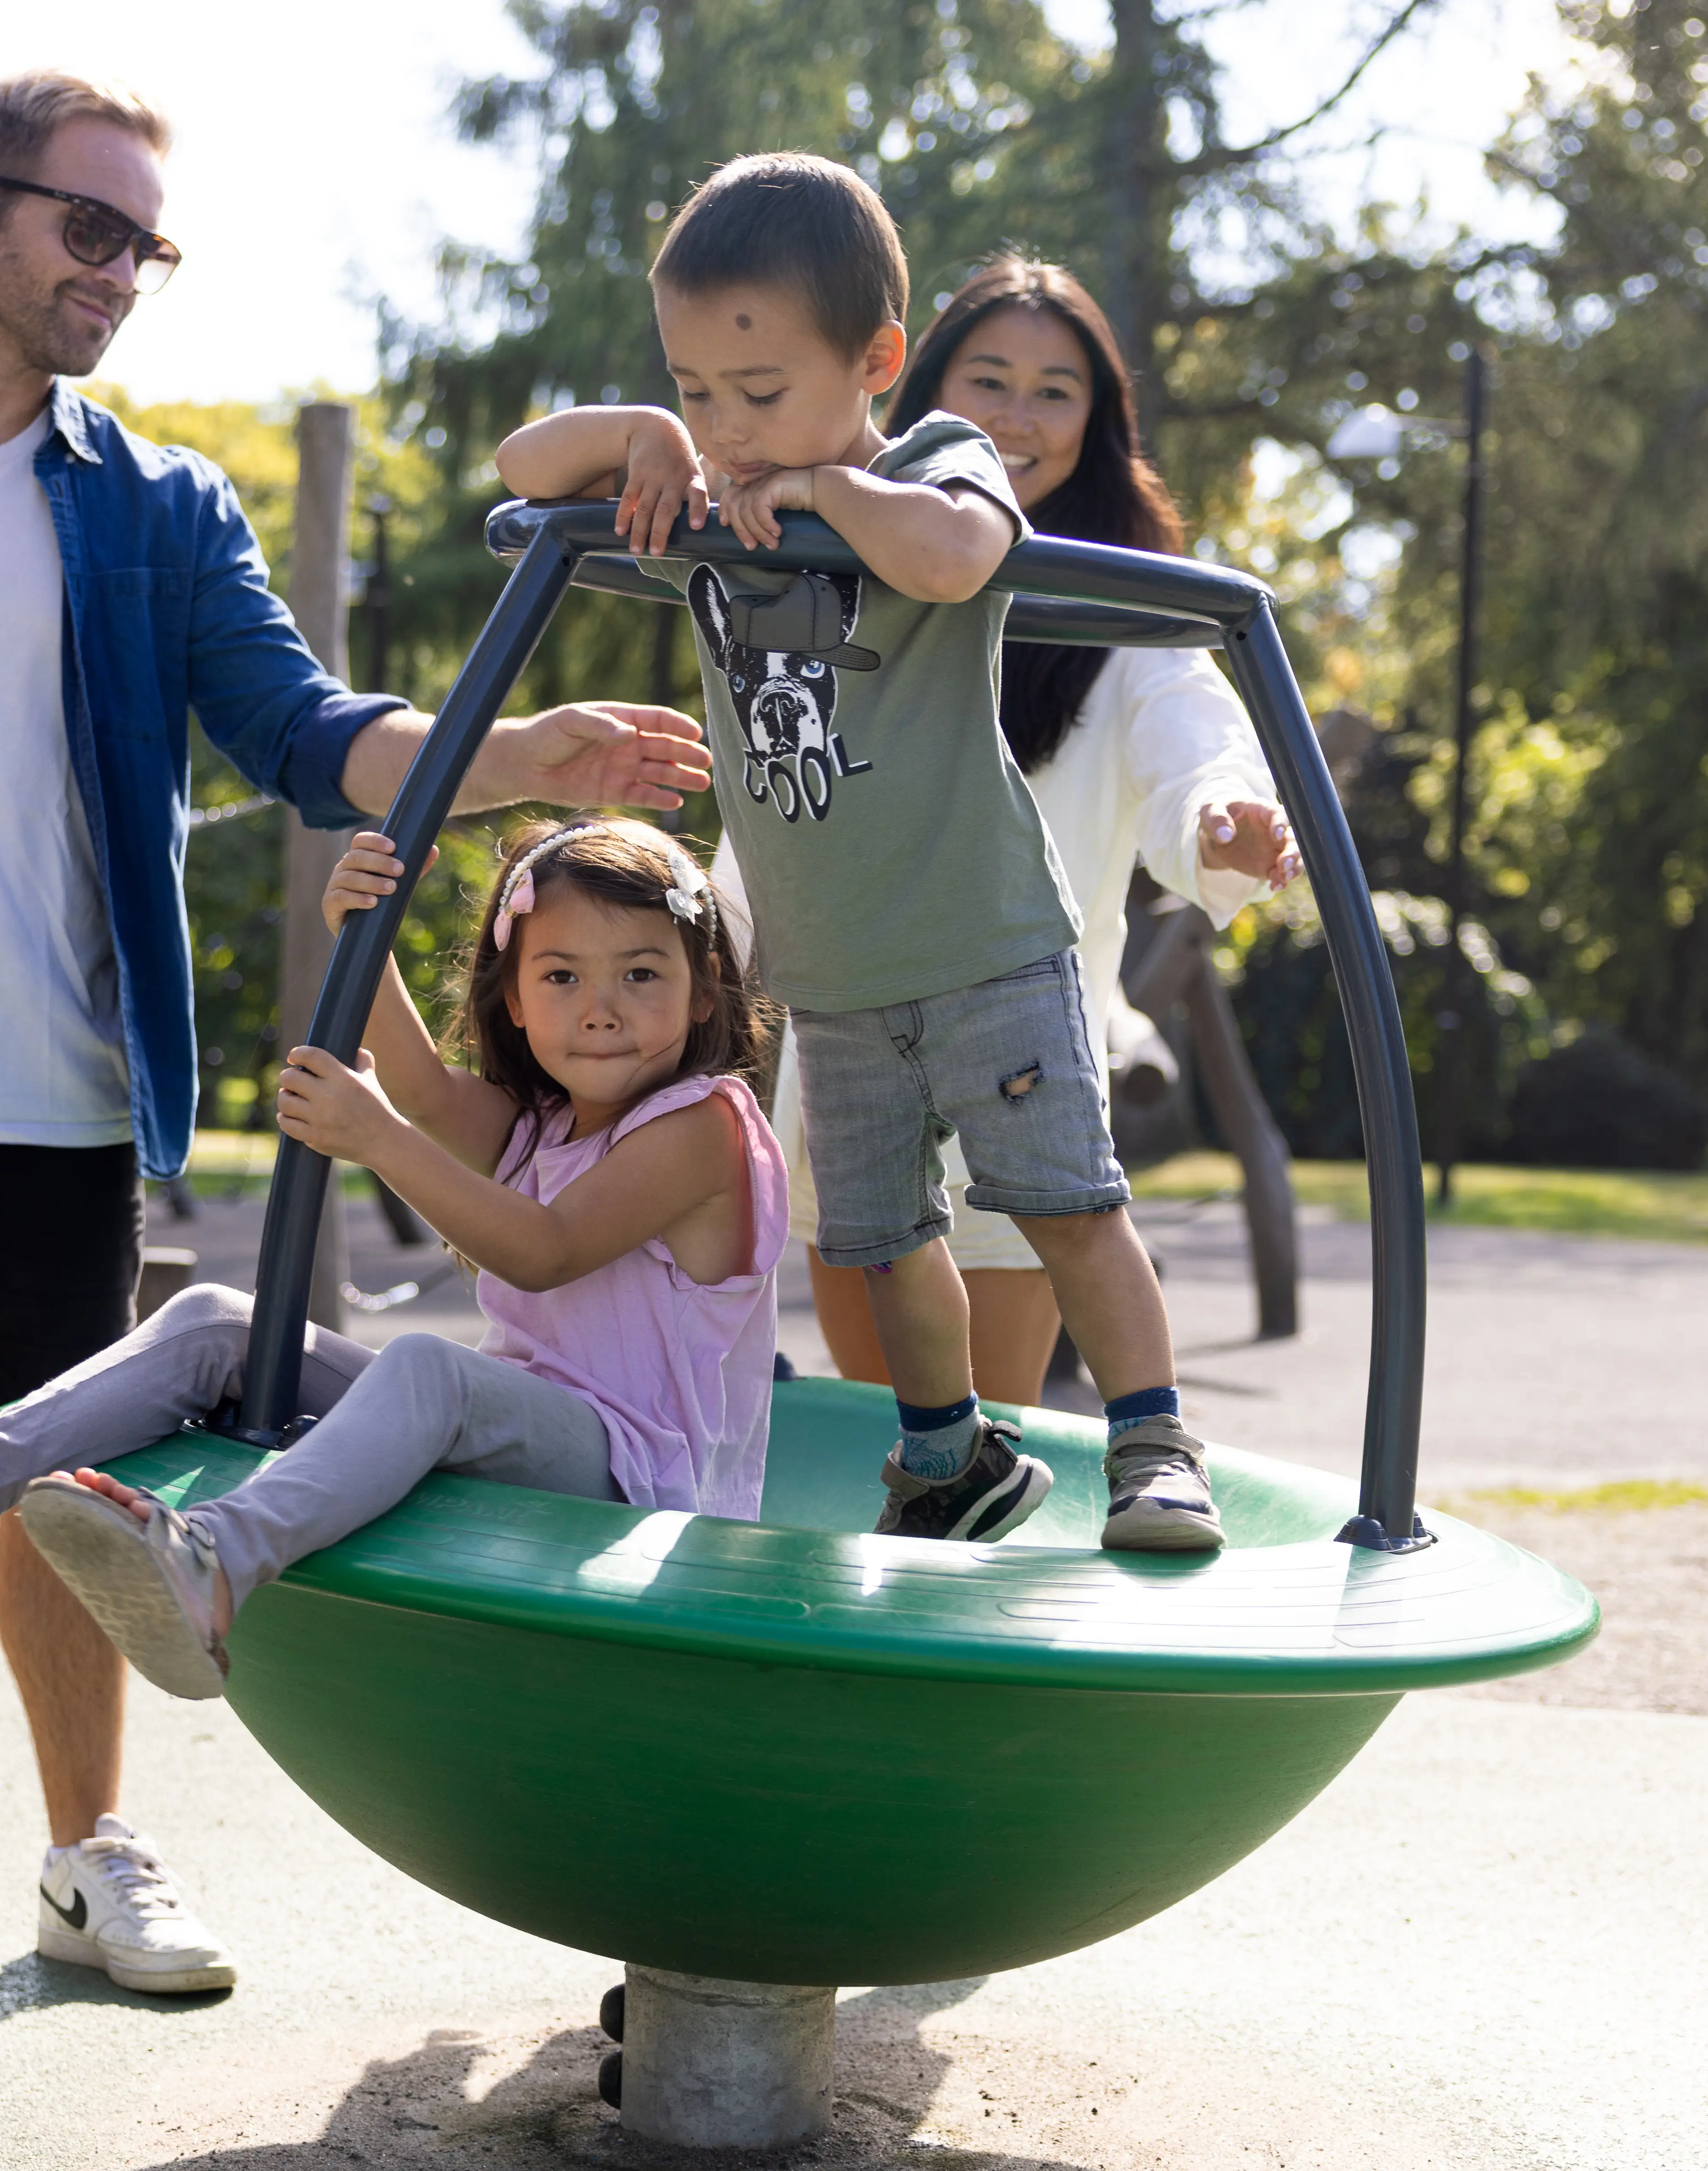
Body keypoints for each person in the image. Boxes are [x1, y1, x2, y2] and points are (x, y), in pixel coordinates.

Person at [0, 72, 711, 2007]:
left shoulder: (164, 506)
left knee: (66, 1494)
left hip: (59, 1091)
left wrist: (501, 759)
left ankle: (84, 1857)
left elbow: (296, 724)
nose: (118, 274)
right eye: (87, 231)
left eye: (145, 248)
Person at [494, 153, 1236, 1553]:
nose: (730, 426)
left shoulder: (929, 461)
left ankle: (1152, 1443)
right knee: (878, 1238)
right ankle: (948, 1455)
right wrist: (643, 437)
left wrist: (829, 484)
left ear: (880, 361)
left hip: (986, 946)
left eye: (757, 394)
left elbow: (956, 560)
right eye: (700, 387)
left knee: (1068, 1204)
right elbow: (522, 475)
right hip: (833, 979)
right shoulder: (711, 514)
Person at [0, 816, 783, 1700]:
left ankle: (219, 1559)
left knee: (427, 1366)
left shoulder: (704, 1126)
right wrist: (360, 928)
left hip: (642, 1476)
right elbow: (417, 1085)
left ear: (702, 994)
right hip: (534, 1429)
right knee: (213, 1322)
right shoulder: (547, 1119)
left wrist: (373, 1140)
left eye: (641, 973)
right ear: (515, 1000)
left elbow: (545, 1250)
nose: (601, 1005)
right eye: (562, 974)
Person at [715, 255, 1300, 1400]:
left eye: (1054, 390)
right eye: (989, 380)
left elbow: (1191, 729)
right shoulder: (835, 559)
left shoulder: (1114, 598)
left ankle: (1113, 1477)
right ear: (920, 385)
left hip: (1019, 1044)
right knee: (888, 1405)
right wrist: (701, 939)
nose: (1018, 418)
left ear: (1097, 418)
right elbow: (786, 793)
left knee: (1002, 1398)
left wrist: (1221, 816)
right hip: (858, 1036)